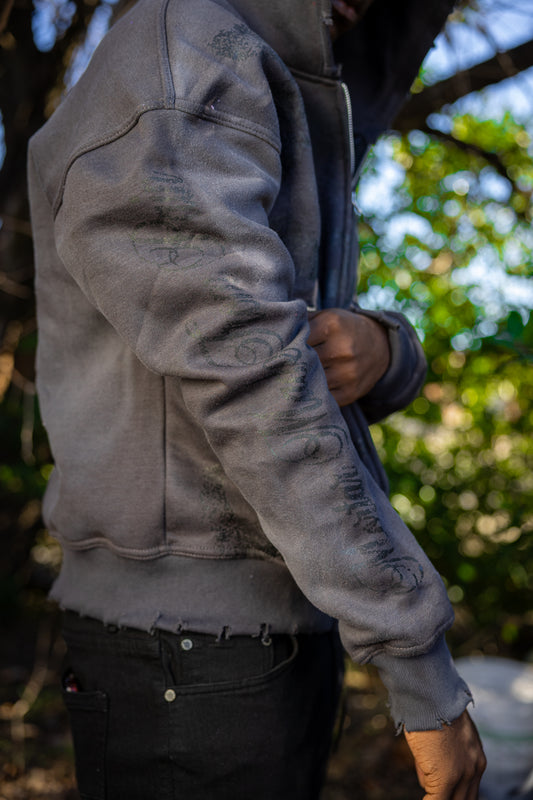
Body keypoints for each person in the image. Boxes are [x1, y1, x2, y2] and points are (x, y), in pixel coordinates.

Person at [28, 0, 486, 797]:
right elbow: (251, 371)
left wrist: (386, 349)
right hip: (190, 650)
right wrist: (417, 665)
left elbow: (297, 342)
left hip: (264, 633)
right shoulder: (179, 51)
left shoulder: (278, 80)